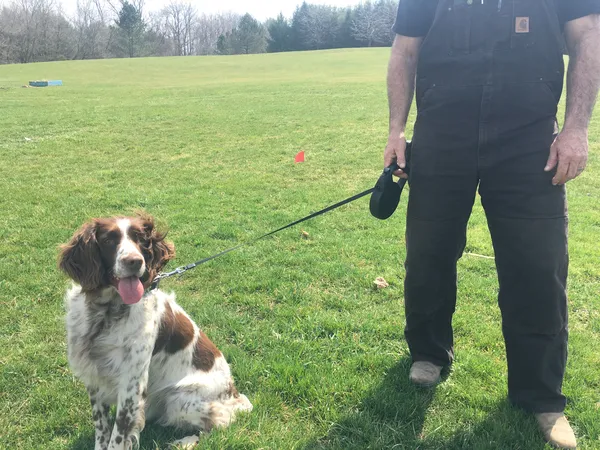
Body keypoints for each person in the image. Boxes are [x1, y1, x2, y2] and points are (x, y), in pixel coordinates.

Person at [384, 1, 600, 448]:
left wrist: (577, 127)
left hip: (529, 136)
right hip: (442, 132)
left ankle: (540, 395)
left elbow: (588, 37)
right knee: (428, 252)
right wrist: (395, 129)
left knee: (538, 267)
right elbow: (405, 50)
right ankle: (428, 352)